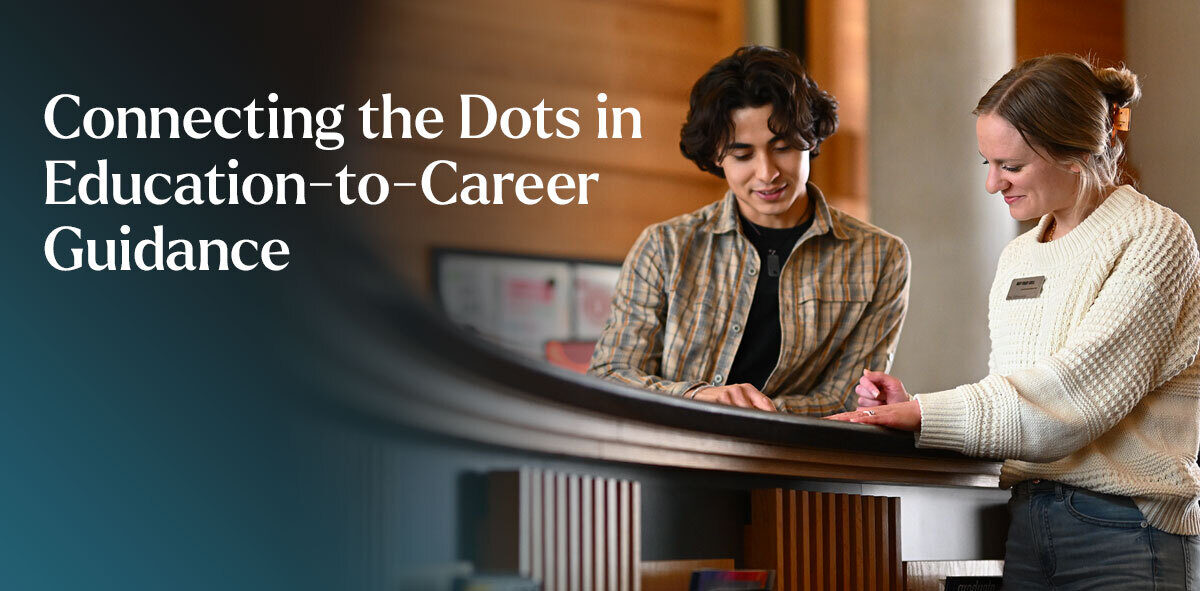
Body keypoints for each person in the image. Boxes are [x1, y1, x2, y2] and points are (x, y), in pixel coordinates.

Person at [830, 54, 1200, 588]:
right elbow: (1016, 395)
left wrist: (926, 415)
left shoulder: (1155, 238)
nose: (992, 184)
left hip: (1128, 532)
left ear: (1074, 154)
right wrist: (912, 408)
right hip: (1026, 522)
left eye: (1011, 165)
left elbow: (1068, 402)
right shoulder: (1019, 256)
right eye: (987, 162)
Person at [588, 45, 910, 415]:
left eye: (784, 147)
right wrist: (699, 397)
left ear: (811, 139)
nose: (767, 172)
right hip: (675, 458)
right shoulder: (665, 247)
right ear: (715, 156)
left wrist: (760, 413)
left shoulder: (880, 256)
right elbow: (609, 374)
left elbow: (846, 398)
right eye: (743, 155)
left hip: (798, 463)